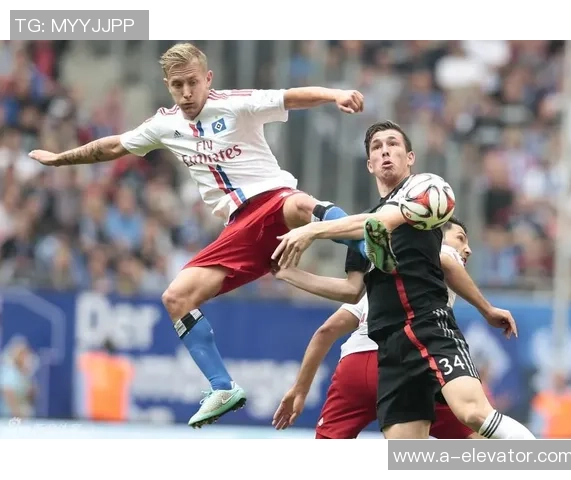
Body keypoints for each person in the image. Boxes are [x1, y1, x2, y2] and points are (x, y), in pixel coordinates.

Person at [27, 42, 391, 428]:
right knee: (176, 298)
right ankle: (222, 386)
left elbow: (290, 97)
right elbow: (114, 145)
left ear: (208, 79)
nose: (186, 93)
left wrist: (335, 95)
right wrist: (60, 159)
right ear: (167, 85)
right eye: (177, 85)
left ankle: (370, 243)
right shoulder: (165, 124)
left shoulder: (235, 104)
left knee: (300, 204)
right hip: (240, 230)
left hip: (272, 201)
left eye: (193, 83)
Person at [272, 120, 535, 439]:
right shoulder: (360, 228)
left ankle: (544, 461)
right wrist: (288, 274)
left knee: (474, 414)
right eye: (377, 147)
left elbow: (395, 228)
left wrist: (313, 229)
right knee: (407, 457)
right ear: (369, 164)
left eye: (393, 144)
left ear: (410, 157)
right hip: (390, 346)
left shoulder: (424, 188)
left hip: (428, 327)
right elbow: (352, 291)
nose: (385, 151)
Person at [271, 217, 482, 440]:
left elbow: (327, 330)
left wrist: (300, 389)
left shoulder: (379, 284)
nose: (467, 249)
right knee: (478, 441)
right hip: (405, 364)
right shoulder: (441, 255)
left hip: (354, 367)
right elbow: (447, 261)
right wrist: (487, 309)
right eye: (460, 238)